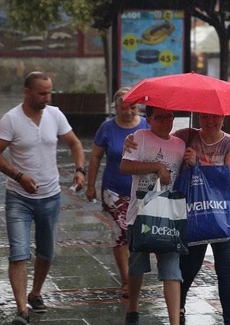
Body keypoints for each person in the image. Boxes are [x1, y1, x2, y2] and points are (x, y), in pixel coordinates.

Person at [124, 113, 230, 325]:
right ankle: (178, 307)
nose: (210, 121)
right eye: (205, 117)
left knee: (227, 267)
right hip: (192, 211)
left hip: (225, 212)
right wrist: (132, 140)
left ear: (223, 119)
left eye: (215, 117)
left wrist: (200, 163)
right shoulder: (185, 136)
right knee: (189, 265)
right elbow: (161, 139)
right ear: (198, 117)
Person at [0, 71, 86, 325]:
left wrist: (79, 169)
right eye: (42, 93)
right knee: (18, 252)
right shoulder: (11, 119)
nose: (47, 97)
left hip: (50, 196)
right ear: (27, 91)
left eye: (49, 92)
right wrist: (19, 176)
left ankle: (36, 292)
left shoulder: (55, 115)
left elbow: (75, 144)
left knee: (47, 251)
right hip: (18, 197)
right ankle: (21, 310)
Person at [120, 106, 185, 325]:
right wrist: (156, 166)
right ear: (148, 119)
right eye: (160, 118)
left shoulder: (180, 145)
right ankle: (133, 308)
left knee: (171, 267)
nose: (166, 121)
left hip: (169, 216)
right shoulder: (139, 137)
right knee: (136, 264)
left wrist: (192, 161)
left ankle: (174, 321)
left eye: (170, 116)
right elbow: (125, 166)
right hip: (139, 214)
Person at [85, 87, 149, 298]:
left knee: (139, 235)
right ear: (116, 108)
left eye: (133, 107)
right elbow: (95, 157)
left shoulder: (147, 126)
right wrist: (90, 185)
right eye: (124, 108)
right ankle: (126, 279)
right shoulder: (107, 128)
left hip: (142, 190)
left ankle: (136, 274)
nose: (129, 112)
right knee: (120, 234)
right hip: (114, 191)